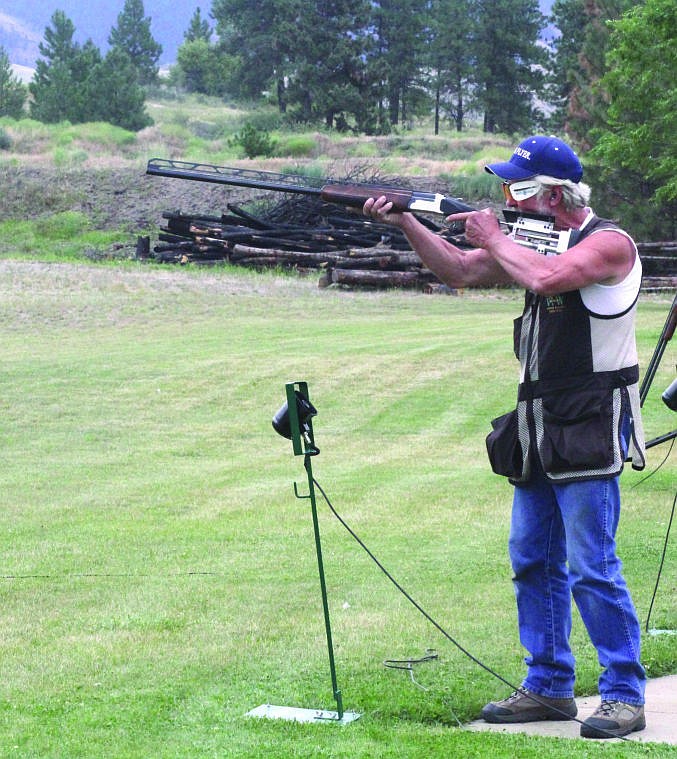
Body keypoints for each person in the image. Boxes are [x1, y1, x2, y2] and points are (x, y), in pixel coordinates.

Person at [362, 135, 647, 739]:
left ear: (552, 193)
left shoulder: (609, 244)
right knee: (530, 558)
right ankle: (548, 686)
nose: (505, 198)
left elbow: (547, 280)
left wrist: (495, 235)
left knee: (591, 564)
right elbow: (460, 271)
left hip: (589, 421)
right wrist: (409, 222)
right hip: (538, 423)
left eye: (517, 188)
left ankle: (623, 692)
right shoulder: (530, 240)